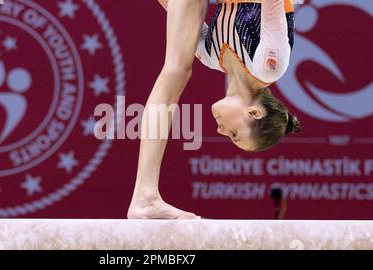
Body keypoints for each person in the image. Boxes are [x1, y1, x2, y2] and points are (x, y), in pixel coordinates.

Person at [128, 0, 300, 219]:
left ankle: (145, 195)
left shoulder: (211, 55)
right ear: (254, 113)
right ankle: (145, 197)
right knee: (175, 71)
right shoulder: (268, 66)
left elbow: (176, 11)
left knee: (174, 71)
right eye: (234, 133)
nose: (221, 131)